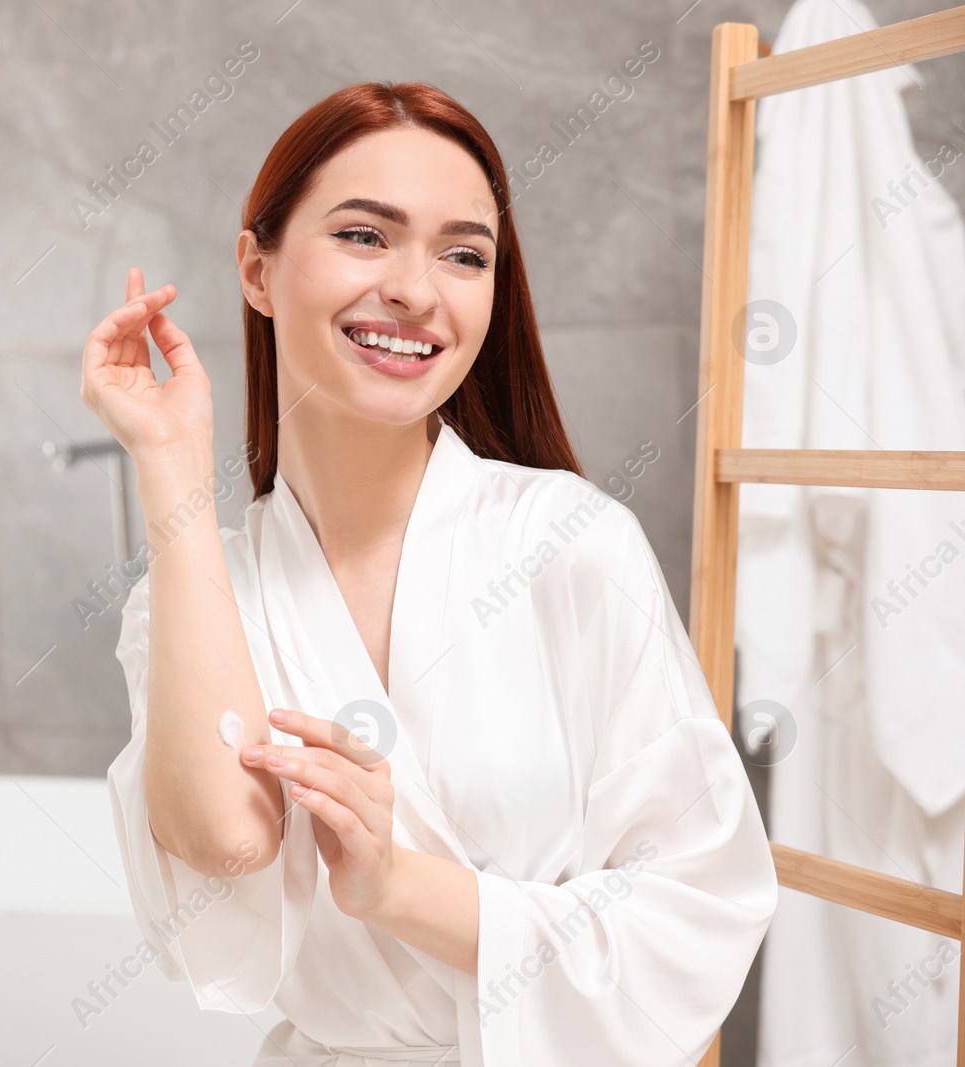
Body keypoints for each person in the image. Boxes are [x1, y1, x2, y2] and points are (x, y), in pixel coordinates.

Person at [80, 81, 778, 1067]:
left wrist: (394, 884)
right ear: (257, 268)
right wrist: (168, 465)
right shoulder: (195, 592)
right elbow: (223, 845)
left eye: (462, 253)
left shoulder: (573, 543)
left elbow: (695, 903)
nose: (416, 288)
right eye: (365, 235)